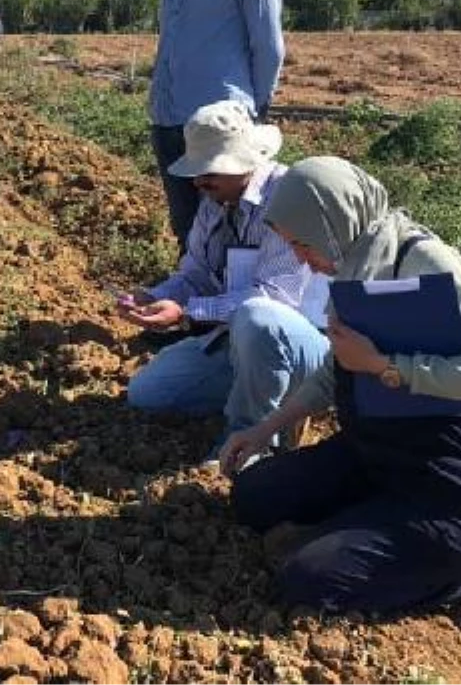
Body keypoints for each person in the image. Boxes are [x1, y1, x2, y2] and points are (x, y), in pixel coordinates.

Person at [220, 157, 461, 637]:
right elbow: (335, 371)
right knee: (253, 496)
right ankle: (363, 526)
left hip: (456, 477)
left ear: (333, 221)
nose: (302, 259)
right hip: (377, 454)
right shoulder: (350, 261)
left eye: (303, 244)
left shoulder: (426, 264)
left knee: (310, 580)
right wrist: (263, 428)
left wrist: (386, 368)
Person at [118, 101, 328, 460]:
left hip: (310, 346)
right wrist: (157, 296)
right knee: (149, 393)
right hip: (241, 341)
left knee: (260, 318)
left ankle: (252, 440)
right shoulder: (216, 200)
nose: (199, 182)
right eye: (197, 172)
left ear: (245, 160)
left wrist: (185, 312)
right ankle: (268, 396)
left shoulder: (288, 197)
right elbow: (195, 272)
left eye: (210, 170)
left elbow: (275, 297)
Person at [147, 0, 285, 252]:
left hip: (218, 122)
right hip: (169, 116)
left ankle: (225, 311)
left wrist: (253, 111)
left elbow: (268, 44)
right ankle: (190, 308)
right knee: (186, 226)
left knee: (228, 228)